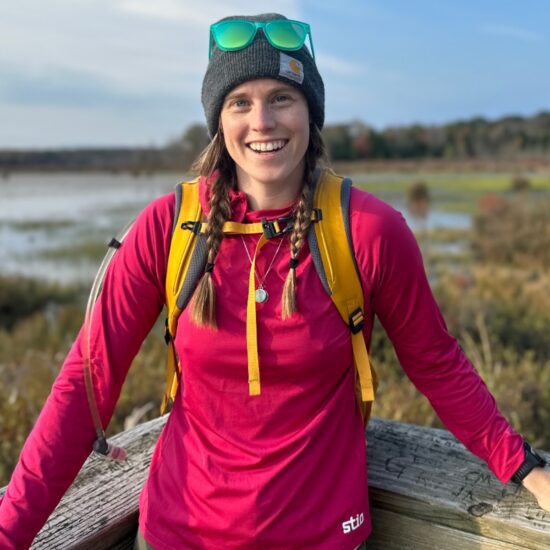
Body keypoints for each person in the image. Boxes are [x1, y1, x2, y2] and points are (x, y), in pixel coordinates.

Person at [1, 12, 549, 550]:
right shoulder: (168, 228)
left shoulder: (367, 230)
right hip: (178, 534)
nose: (262, 121)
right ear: (219, 120)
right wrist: (9, 534)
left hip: (326, 536)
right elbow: (85, 385)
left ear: (311, 112)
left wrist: (524, 467)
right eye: (240, 102)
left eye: (281, 98)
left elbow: (437, 364)